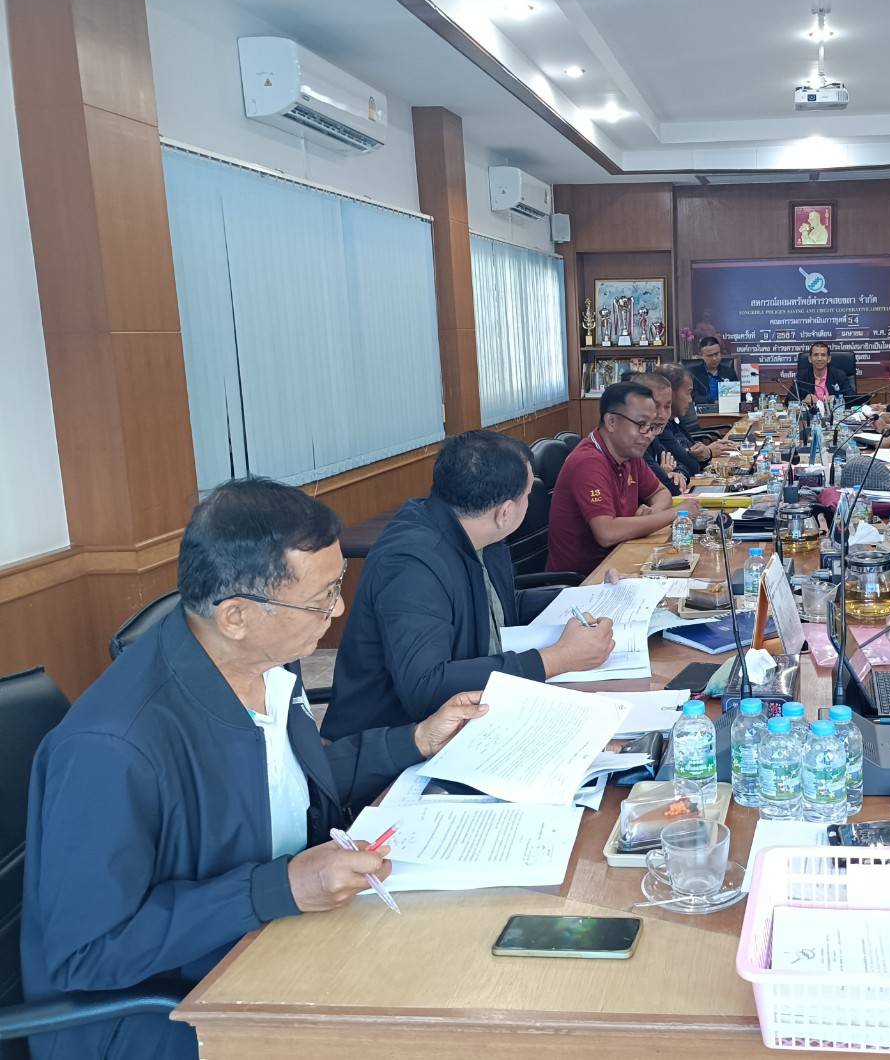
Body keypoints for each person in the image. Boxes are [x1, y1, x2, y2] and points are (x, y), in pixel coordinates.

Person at [20, 479, 488, 1060]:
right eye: (322, 598)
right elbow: (87, 952)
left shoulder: (266, 664)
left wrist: (415, 741)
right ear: (237, 615)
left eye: (338, 584)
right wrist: (280, 886)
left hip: (266, 943)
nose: (338, 609)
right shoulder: (112, 748)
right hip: (158, 1009)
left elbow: (285, 782)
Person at [321, 431, 616, 739]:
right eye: (528, 496)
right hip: (394, 743)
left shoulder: (479, 532)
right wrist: (556, 659)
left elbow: (499, 607)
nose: (529, 503)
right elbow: (426, 686)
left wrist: (592, 597)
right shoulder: (411, 565)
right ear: (505, 512)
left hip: (473, 720)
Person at [546, 381, 679, 577]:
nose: (649, 435)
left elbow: (661, 492)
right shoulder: (588, 462)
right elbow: (607, 533)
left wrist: (651, 514)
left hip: (620, 562)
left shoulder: (630, 454)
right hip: (586, 580)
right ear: (611, 422)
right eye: (641, 425)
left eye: (652, 427)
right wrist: (678, 513)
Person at [628, 370, 693, 493]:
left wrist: (678, 473)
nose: (662, 415)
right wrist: (667, 476)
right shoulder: (634, 442)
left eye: (667, 406)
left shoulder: (654, 436)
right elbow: (672, 488)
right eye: (656, 406)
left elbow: (683, 466)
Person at [657, 362, 728, 469]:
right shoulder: (660, 428)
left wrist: (704, 451)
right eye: (688, 392)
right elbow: (691, 464)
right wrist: (708, 453)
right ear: (670, 392)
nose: (690, 400)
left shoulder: (674, 422)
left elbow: (692, 453)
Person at [792, 341, 855, 406]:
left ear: (829, 359)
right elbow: (789, 399)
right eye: (816, 355)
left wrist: (836, 399)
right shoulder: (801, 376)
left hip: (834, 411)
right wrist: (803, 400)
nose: (819, 359)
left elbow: (852, 398)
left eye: (823, 355)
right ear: (810, 359)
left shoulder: (839, 375)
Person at [689, 335, 737, 404]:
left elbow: (736, 397)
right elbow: (693, 397)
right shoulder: (694, 374)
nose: (714, 358)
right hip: (704, 410)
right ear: (701, 356)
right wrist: (713, 402)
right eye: (710, 355)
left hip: (726, 409)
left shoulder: (729, 373)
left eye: (716, 354)